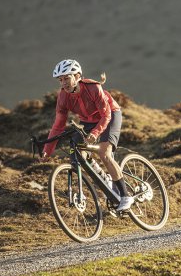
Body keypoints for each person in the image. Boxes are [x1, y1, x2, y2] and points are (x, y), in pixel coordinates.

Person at [39, 59, 134, 211]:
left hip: (110, 115)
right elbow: (58, 126)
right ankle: (105, 177)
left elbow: (106, 115)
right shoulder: (63, 96)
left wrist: (96, 133)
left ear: (77, 77)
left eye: (66, 78)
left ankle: (125, 196)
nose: (63, 83)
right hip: (87, 121)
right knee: (77, 153)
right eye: (60, 80)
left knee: (104, 153)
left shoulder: (93, 88)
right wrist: (47, 150)